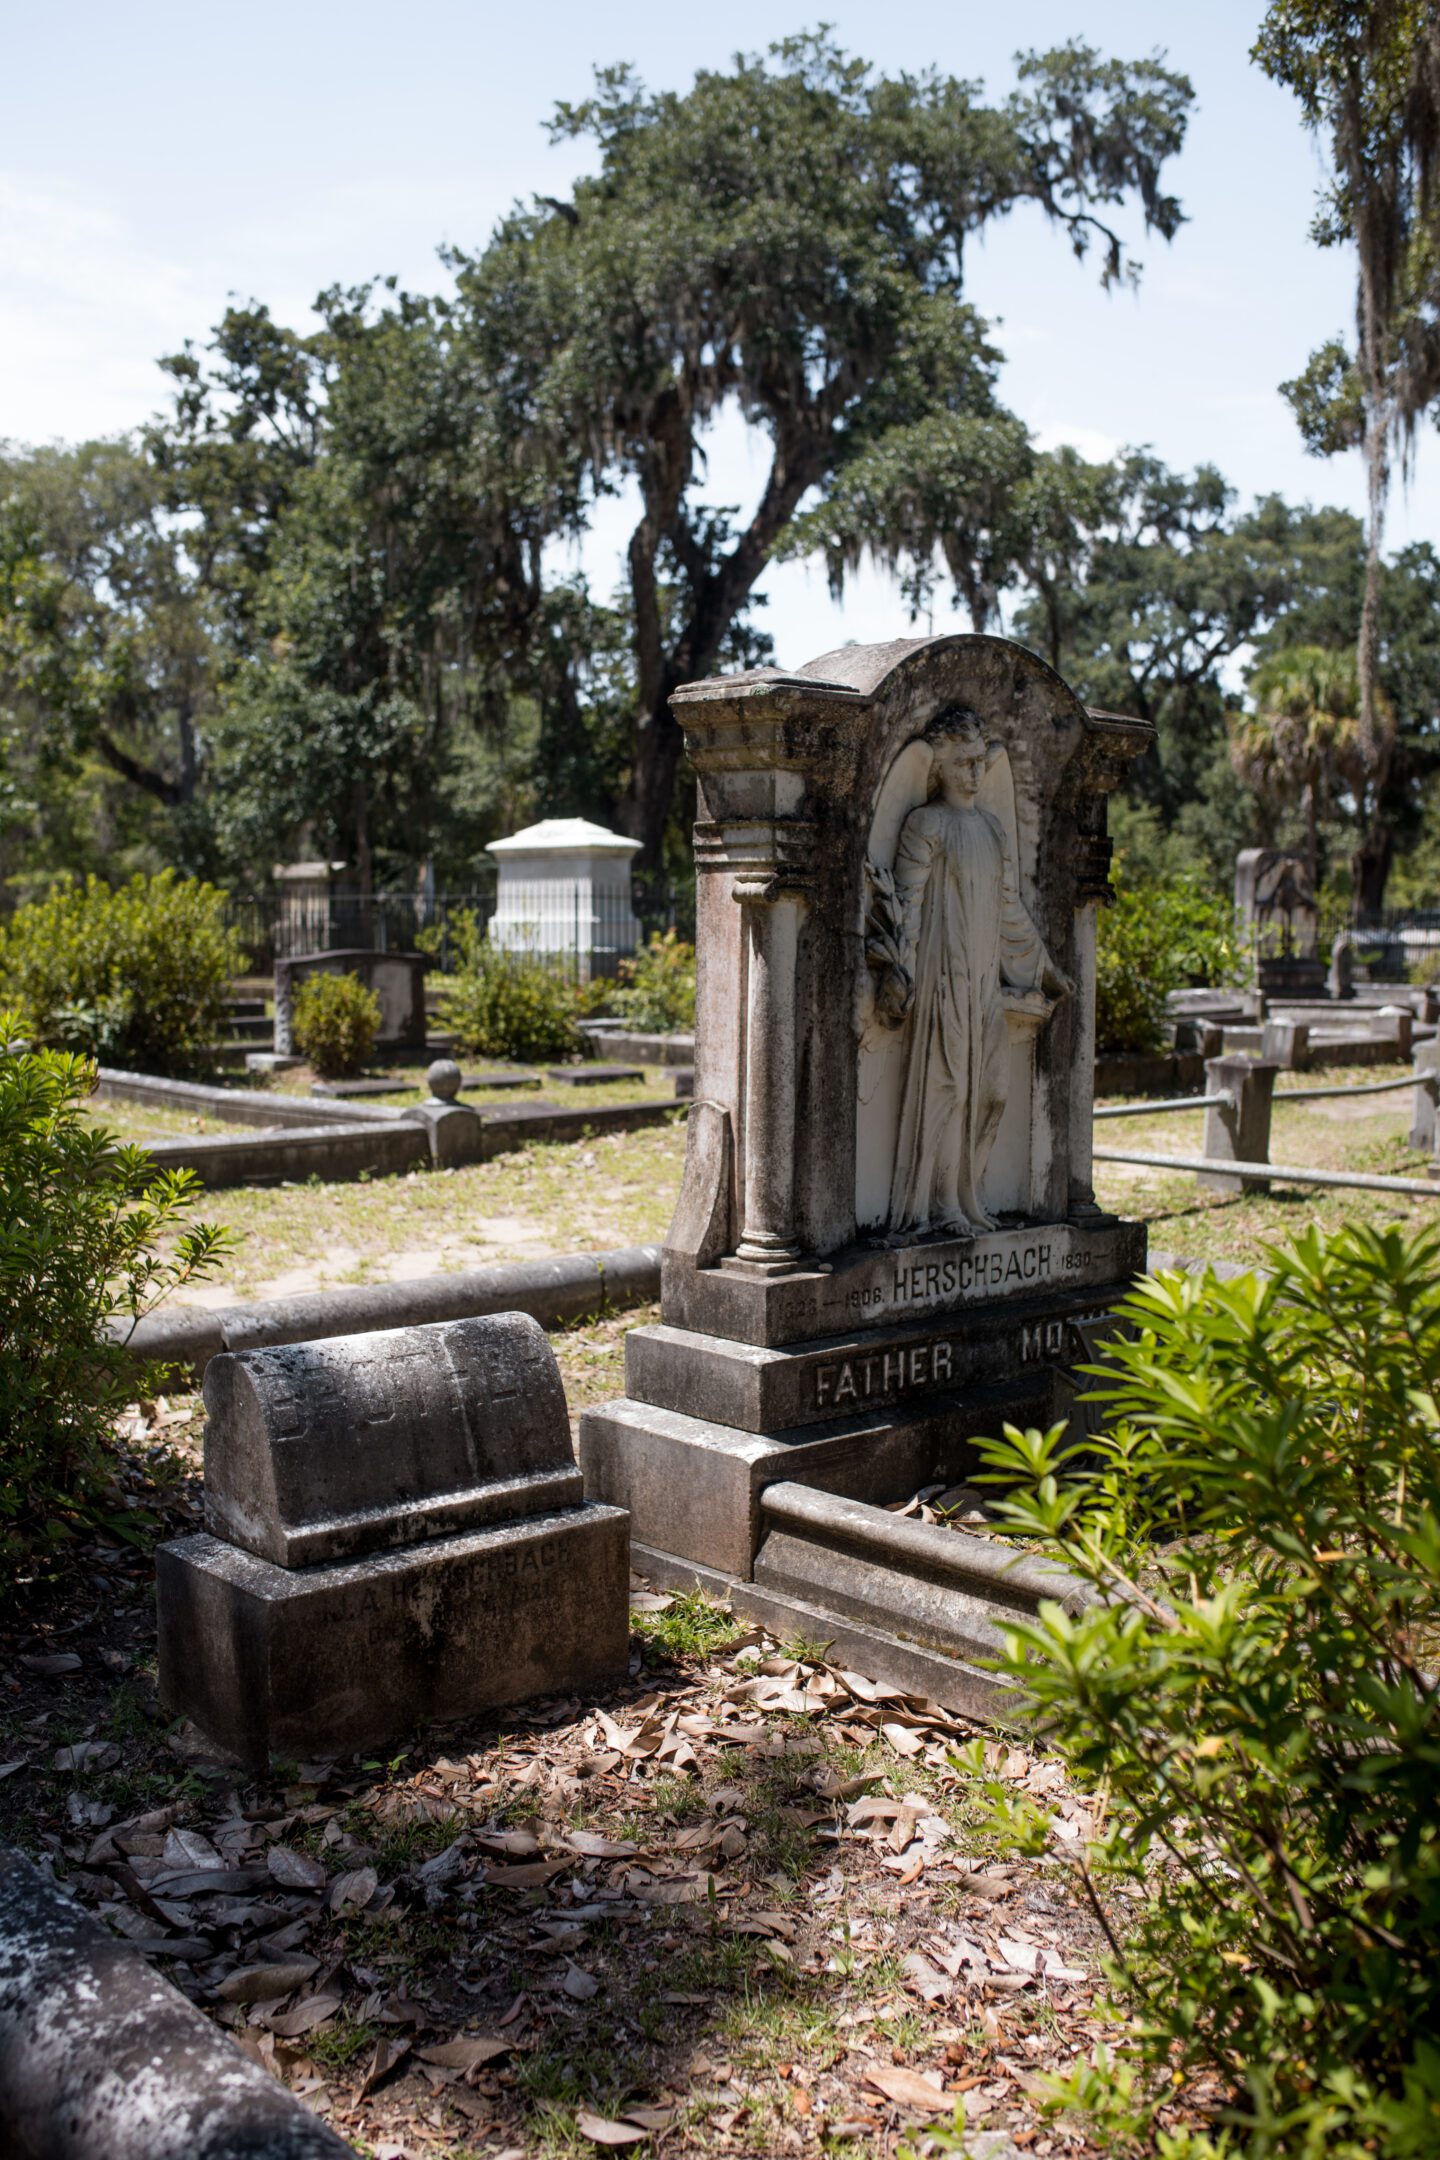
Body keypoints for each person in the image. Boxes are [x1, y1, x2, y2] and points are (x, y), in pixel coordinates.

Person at [885, 706, 1067, 1235]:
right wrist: (901, 970)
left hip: (985, 984)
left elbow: (1011, 909)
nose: (974, 773)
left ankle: (967, 1196)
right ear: (939, 768)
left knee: (992, 1092)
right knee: (949, 1093)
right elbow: (906, 903)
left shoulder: (990, 827)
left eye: (978, 761)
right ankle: (939, 1206)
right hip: (943, 980)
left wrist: (1044, 968)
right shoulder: (927, 823)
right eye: (962, 763)